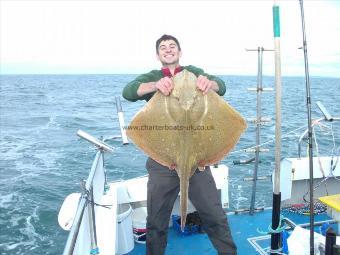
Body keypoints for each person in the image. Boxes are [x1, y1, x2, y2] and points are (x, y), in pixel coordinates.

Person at [122, 34, 237, 255]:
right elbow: (128, 91)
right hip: (162, 160)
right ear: (158, 55)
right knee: (156, 220)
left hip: (197, 158)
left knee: (214, 215)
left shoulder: (193, 71)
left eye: (172, 46)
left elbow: (221, 86)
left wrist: (208, 83)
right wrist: (155, 85)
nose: (168, 49)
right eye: (163, 47)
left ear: (180, 52)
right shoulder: (153, 76)